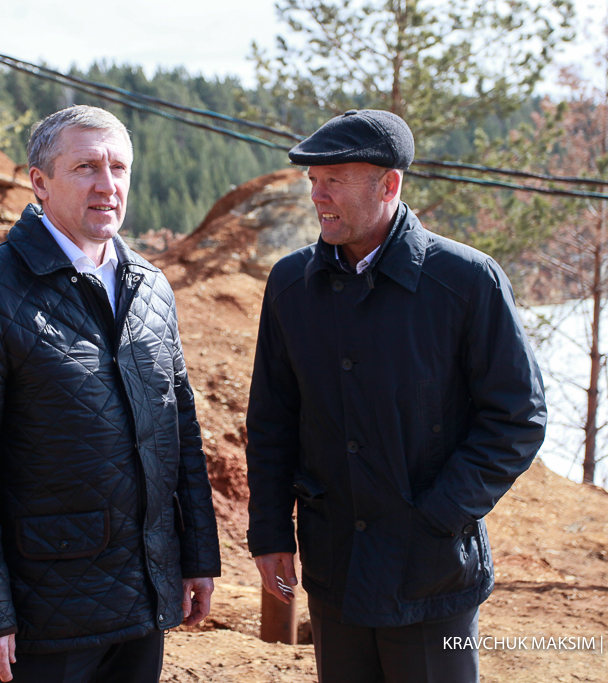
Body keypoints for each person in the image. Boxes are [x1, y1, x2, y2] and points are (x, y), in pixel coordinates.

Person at [245, 109, 546, 683]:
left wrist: (439, 517)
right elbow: (272, 422)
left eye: (335, 180)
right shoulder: (290, 286)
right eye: (314, 181)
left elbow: (517, 418)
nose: (318, 195)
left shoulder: (467, 281)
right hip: (334, 567)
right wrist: (271, 532)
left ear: (389, 185)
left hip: (431, 576)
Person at [0, 105, 221, 683]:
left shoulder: (152, 288)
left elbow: (180, 432)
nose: (107, 185)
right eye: (86, 167)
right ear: (40, 182)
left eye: (119, 168)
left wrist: (196, 558)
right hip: (45, 610)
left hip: (144, 598)